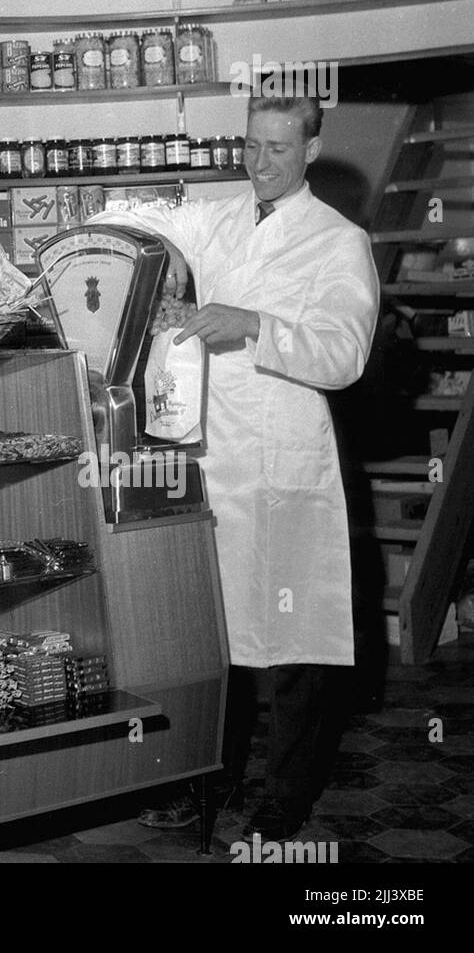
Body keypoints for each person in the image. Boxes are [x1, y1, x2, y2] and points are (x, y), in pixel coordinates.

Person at [116, 93, 380, 840]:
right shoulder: (219, 217)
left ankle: (284, 800)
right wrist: (141, 256)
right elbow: (145, 218)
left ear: (311, 150)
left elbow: (344, 355)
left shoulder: (339, 240)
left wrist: (253, 324)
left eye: (277, 150)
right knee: (214, 637)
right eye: (251, 146)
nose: (259, 164)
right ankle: (210, 780)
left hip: (286, 458)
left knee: (295, 650)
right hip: (213, 453)